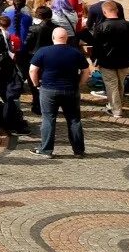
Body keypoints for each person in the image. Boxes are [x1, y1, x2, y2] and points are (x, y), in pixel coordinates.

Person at [29, 26, 89, 157]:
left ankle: (46, 150)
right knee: (74, 119)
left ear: (53, 38)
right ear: (67, 38)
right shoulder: (75, 52)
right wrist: (79, 84)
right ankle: (78, 150)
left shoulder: (43, 51)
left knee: (48, 119)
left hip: (48, 89)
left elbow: (33, 70)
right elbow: (86, 71)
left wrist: (36, 84)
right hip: (70, 89)